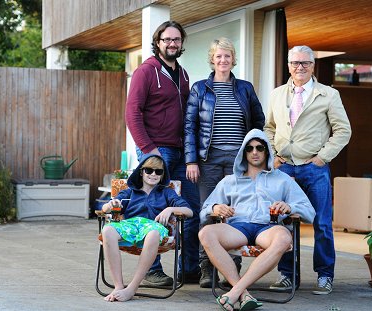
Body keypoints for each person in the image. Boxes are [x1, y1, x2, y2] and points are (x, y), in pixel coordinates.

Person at [264, 45, 352, 295]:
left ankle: (325, 275)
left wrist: (323, 158)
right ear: (288, 65)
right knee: (281, 222)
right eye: (295, 63)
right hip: (284, 169)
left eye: (305, 63)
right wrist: (274, 156)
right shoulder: (277, 94)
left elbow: (343, 130)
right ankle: (287, 275)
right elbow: (269, 127)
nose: (299, 68)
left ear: (313, 66)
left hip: (314, 169)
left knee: (322, 223)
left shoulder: (328, 94)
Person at [198, 129, 315, 311]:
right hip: (238, 227)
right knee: (206, 233)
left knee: (284, 238)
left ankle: (235, 292)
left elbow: (309, 211)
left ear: (266, 151)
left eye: (260, 148)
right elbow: (205, 209)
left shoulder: (282, 179)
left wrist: (290, 207)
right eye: (250, 148)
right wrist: (215, 208)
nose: (255, 152)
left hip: (268, 227)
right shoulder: (230, 180)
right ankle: (242, 293)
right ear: (244, 152)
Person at [184, 37, 265, 288]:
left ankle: (232, 270)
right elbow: (189, 127)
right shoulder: (199, 89)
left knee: (235, 214)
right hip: (208, 161)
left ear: (233, 59)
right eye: (218, 56)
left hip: (238, 162)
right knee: (208, 213)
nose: (223, 60)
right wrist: (191, 161)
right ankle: (207, 270)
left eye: (227, 56)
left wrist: (254, 156)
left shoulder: (245, 88)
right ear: (212, 59)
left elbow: (258, 123)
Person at [125, 20, 201, 285]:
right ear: (157, 43)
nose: (172, 44)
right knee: (152, 208)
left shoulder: (183, 74)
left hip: (181, 152)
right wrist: (149, 150)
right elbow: (132, 113)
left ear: (181, 44)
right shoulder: (145, 72)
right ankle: (151, 270)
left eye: (176, 40)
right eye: (167, 39)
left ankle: (190, 268)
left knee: (191, 208)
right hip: (156, 150)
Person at [101, 154, 192, 302]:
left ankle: (132, 288)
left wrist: (170, 209)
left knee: (153, 233)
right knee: (108, 230)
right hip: (131, 227)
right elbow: (106, 208)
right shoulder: (130, 191)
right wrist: (111, 205)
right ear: (142, 172)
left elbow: (189, 211)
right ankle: (118, 286)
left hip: (154, 228)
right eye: (149, 170)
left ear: (163, 175)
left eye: (158, 171)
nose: (153, 174)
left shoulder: (166, 192)